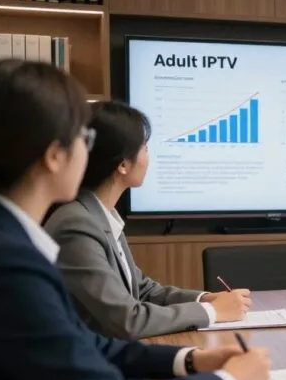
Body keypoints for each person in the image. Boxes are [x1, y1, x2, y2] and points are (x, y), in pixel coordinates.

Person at [0, 60, 271, 380]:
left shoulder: (1, 241)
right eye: (84, 137)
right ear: (54, 156)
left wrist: (192, 360)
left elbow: (87, 345)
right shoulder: (6, 265)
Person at [45, 101, 252, 339]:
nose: (148, 156)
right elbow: (128, 319)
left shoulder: (100, 216)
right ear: (123, 164)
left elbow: (143, 291)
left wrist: (205, 298)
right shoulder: (77, 225)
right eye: (144, 147)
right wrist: (212, 311)